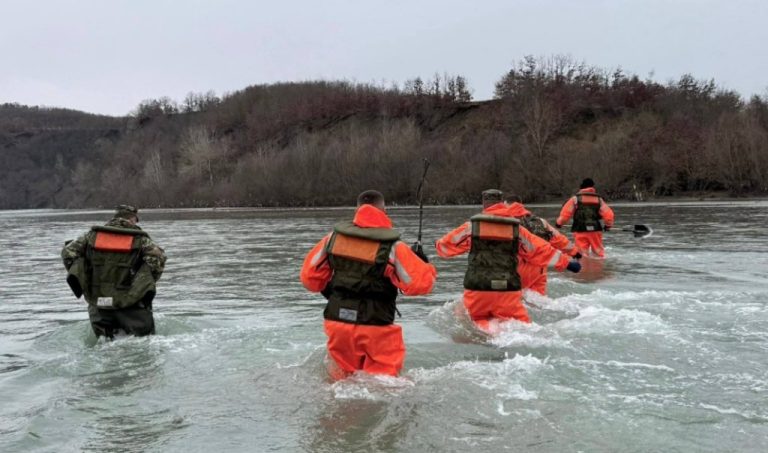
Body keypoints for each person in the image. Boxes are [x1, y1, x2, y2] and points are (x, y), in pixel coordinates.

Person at [300, 190, 436, 379]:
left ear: (356, 210)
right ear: (384, 210)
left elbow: (309, 279)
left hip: (339, 323)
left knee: (340, 380)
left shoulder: (331, 240)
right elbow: (421, 285)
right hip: (376, 326)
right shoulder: (394, 248)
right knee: (384, 385)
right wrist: (422, 262)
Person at [435, 189, 581, 331]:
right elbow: (541, 250)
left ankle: (488, 331)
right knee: (525, 329)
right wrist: (568, 263)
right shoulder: (517, 230)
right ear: (501, 203)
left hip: (478, 289)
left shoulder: (471, 228)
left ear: (484, 204)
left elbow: (444, 248)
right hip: (508, 291)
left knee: (465, 316)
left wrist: (435, 245)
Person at [61, 205, 167, 339]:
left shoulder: (90, 237)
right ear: (133, 219)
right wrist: (143, 283)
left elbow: (68, 253)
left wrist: (86, 278)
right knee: (141, 343)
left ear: (115, 217)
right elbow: (158, 259)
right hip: (133, 306)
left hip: (99, 305)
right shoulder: (141, 240)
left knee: (105, 345)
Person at [504, 194, 581, 295]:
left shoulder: (503, 223)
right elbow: (559, 239)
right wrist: (575, 252)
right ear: (521, 205)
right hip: (539, 269)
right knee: (539, 302)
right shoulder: (540, 221)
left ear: (505, 205)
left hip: (517, 268)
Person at [555, 178, 615, 258]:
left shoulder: (575, 199)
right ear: (593, 187)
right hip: (596, 230)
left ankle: (584, 269)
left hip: (580, 230)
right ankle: (599, 269)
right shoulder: (599, 200)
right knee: (599, 254)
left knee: (582, 255)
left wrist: (559, 223)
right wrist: (608, 226)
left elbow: (565, 215)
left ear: (582, 186)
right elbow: (609, 215)